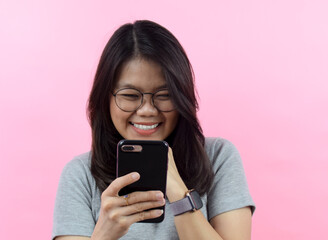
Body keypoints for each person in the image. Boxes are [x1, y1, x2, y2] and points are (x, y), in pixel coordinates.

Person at [52, 20, 255, 240]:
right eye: (130, 95)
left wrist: (178, 192)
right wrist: (104, 234)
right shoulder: (80, 176)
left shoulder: (218, 157)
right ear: (105, 99)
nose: (147, 110)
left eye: (164, 95)